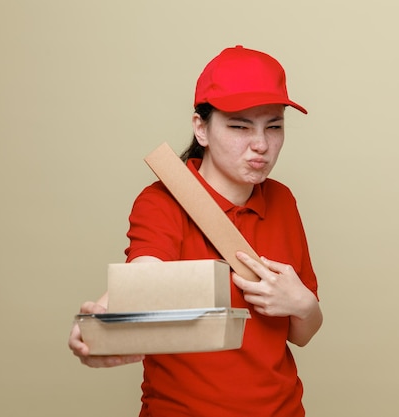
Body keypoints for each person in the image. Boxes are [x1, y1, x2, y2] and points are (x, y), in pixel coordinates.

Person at [68, 45, 323, 417]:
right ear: (200, 127)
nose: (261, 145)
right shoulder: (162, 202)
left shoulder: (283, 201)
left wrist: (303, 304)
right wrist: (101, 320)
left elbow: (302, 333)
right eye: (239, 126)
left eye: (274, 126)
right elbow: (146, 270)